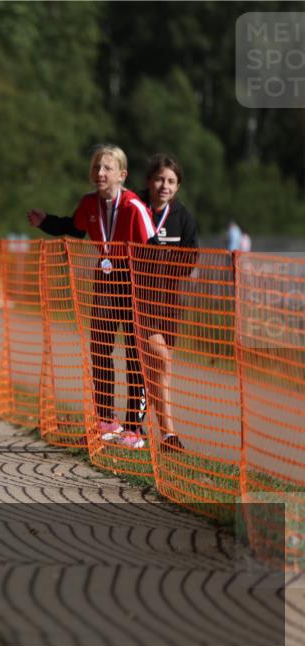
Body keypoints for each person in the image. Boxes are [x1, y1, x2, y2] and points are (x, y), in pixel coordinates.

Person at [27, 144, 156, 449]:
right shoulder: (89, 204)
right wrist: (45, 221)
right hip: (106, 279)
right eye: (97, 167)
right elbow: (76, 228)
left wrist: (147, 291)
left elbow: (154, 251)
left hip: (135, 283)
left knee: (135, 355)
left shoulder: (133, 206)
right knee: (100, 350)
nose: (100, 173)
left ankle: (134, 428)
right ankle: (106, 421)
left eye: (107, 168)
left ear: (121, 174)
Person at [132, 153, 199, 452]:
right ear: (149, 181)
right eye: (159, 179)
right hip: (140, 298)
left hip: (170, 302)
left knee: (154, 369)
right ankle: (169, 433)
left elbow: (191, 257)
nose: (164, 186)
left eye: (171, 181)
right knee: (161, 362)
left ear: (178, 186)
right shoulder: (136, 208)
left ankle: (144, 428)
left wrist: (173, 263)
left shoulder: (183, 218)